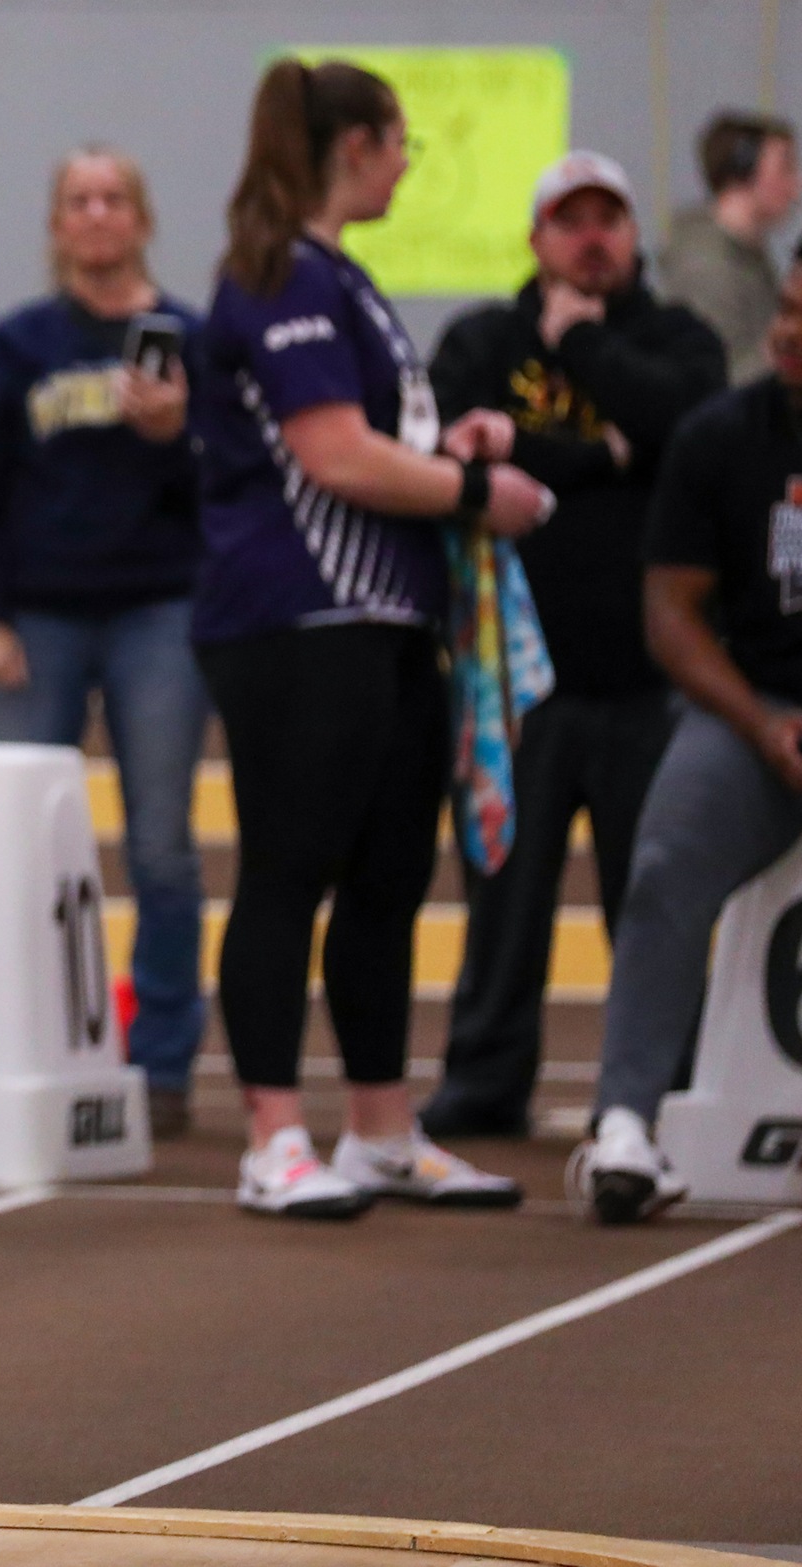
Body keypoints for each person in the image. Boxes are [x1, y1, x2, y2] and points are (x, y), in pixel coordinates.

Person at [191, 58, 550, 1218]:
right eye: (400, 143)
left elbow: (374, 437)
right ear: (352, 146)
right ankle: (272, 1136)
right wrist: (466, 487)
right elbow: (333, 454)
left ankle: (383, 1130)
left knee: (389, 878)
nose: (406, 164)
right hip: (298, 621)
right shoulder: (279, 274)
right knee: (288, 871)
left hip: (390, 621)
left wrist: (454, 437)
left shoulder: (343, 280)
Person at [420, 153, 726, 1138]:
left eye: (607, 219)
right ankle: (483, 1080)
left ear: (633, 234)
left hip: (650, 681)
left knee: (655, 902)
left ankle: (660, 1092)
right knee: (503, 897)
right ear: (535, 237)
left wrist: (584, 354)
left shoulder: (680, 339)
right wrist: (605, 456)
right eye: (569, 220)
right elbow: (463, 454)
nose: (590, 237)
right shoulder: (478, 340)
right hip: (518, 681)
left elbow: (687, 438)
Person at [0, 144, 207, 1139]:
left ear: (140, 220)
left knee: (161, 847)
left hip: (160, 617)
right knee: (20, 845)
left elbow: (232, 487)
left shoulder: (187, 339)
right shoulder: (18, 344)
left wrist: (175, 432)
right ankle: (26, 1042)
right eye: (76, 201)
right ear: (57, 227)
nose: (95, 215)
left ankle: (164, 1061)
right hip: (37, 619)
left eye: (112, 199)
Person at [569, 246, 802, 1223]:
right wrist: (762, 725)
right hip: (755, 711)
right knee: (661, 860)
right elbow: (669, 611)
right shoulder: (720, 434)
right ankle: (623, 1124)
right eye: (786, 307)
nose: (784, 329)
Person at [658, 110, 799, 384]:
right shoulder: (707, 268)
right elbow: (720, 383)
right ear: (742, 168)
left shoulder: (747, 255)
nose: (795, 186)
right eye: (785, 168)